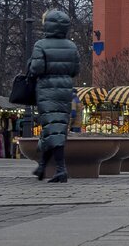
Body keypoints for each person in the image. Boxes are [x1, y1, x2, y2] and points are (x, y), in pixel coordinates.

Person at [30, 9, 80, 183]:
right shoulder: (72, 46)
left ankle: (61, 169)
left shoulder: (40, 45)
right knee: (53, 127)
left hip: (46, 89)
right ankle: (42, 166)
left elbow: (36, 69)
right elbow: (75, 70)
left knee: (53, 127)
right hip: (65, 89)